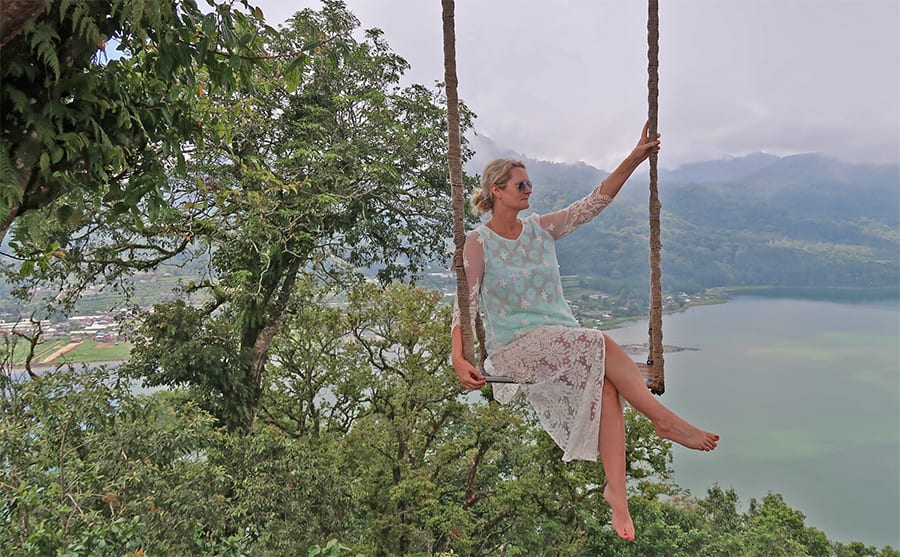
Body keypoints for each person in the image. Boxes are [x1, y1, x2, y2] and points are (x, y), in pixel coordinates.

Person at [450, 122, 719, 542]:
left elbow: (594, 202)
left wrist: (635, 157)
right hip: (515, 350)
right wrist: (458, 356)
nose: (529, 189)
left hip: (560, 339)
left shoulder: (540, 229)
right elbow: (464, 304)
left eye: (530, 183)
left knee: (608, 389)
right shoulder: (478, 242)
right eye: (521, 184)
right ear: (497, 190)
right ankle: (662, 420)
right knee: (599, 341)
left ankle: (617, 496)